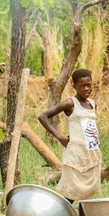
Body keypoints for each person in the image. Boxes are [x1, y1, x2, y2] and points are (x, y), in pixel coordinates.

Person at [38, 69, 102, 203]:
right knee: (71, 192)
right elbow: (43, 117)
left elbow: (90, 127)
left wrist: (95, 141)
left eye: (89, 85)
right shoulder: (70, 103)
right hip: (75, 155)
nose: (86, 88)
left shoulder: (92, 103)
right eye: (82, 86)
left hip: (91, 154)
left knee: (88, 193)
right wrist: (60, 136)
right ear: (74, 86)